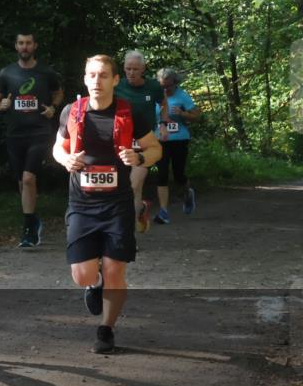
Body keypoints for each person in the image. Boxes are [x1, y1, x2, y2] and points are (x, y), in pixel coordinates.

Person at [52, 55, 161, 354]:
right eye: (91, 75)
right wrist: (66, 160)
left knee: (116, 269)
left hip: (117, 204)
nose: (96, 81)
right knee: (82, 274)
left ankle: (106, 329)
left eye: (103, 75)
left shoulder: (131, 111)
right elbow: (57, 148)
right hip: (82, 202)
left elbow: (155, 148)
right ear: (85, 79)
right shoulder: (72, 112)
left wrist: (139, 158)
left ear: (115, 80)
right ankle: (93, 283)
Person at [0, 31, 63, 247]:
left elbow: (58, 92)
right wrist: (1, 105)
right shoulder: (7, 73)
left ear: (35, 45)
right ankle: (33, 220)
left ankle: (28, 229)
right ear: (16, 46)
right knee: (23, 182)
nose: (24, 47)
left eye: (28, 43)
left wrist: (53, 107)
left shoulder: (45, 72)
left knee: (29, 178)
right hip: (15, 134)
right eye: (21, 43)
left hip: (39, 132)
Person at [113, 50, 168, 233]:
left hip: (144, 142)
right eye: (128, 69)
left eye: (135, 69)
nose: (131, 73)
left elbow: (163, 103)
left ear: (143, 69)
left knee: (134, 185)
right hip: (121, 142)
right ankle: (139, 212)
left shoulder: (153, 87)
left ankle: (128, 233)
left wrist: (163, 124)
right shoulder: (116, 87)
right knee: (123, 187)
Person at [153, 67, 201, 224]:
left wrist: (183, 114)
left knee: (179, 175)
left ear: (175, 83)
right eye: (162, 86)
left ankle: (188, 194)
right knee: (162, 174)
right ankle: (163, 211)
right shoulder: (155, 96)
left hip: (179, 139)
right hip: (160, 140)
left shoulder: (182, 96)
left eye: (168, 86)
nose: (165, 89)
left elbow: (197, 115)